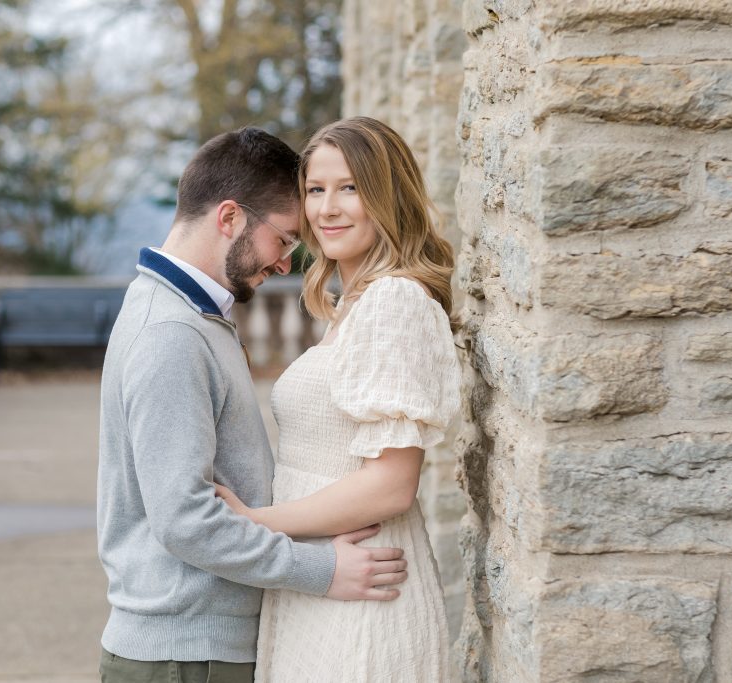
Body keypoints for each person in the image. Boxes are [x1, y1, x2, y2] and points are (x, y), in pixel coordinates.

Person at [96, 126, 410, 683]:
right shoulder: (170, 332)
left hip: (196, 649)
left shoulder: (193, 316)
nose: (286, 263)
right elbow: (185, 520)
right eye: (285, 240)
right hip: (186, 655)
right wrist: (322, 570)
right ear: (230, 218)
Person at [214, 116, 462, 682]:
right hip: (325, 579)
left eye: (350, 188)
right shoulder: (354, 304)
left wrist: (257, 523)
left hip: (366, 591)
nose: (327, 208)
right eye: (315, 190)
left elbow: (392, 482)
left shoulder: (394, 300)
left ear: (387, 195)